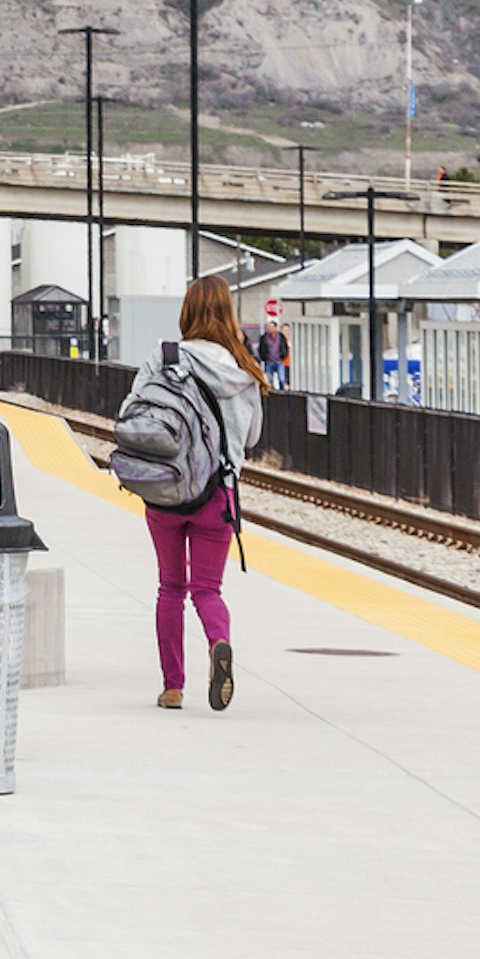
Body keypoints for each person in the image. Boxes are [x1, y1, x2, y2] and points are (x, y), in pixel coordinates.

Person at [147, 275, 272, 712]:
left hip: (164, 490)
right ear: (229, 315)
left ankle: (173, 687)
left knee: (170, 588)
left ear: (187, 312)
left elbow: (136, 417)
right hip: (217, 494)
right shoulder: (243, 372)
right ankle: (219, 641)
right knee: (206, 589)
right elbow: (252, 438)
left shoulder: (164, 358)